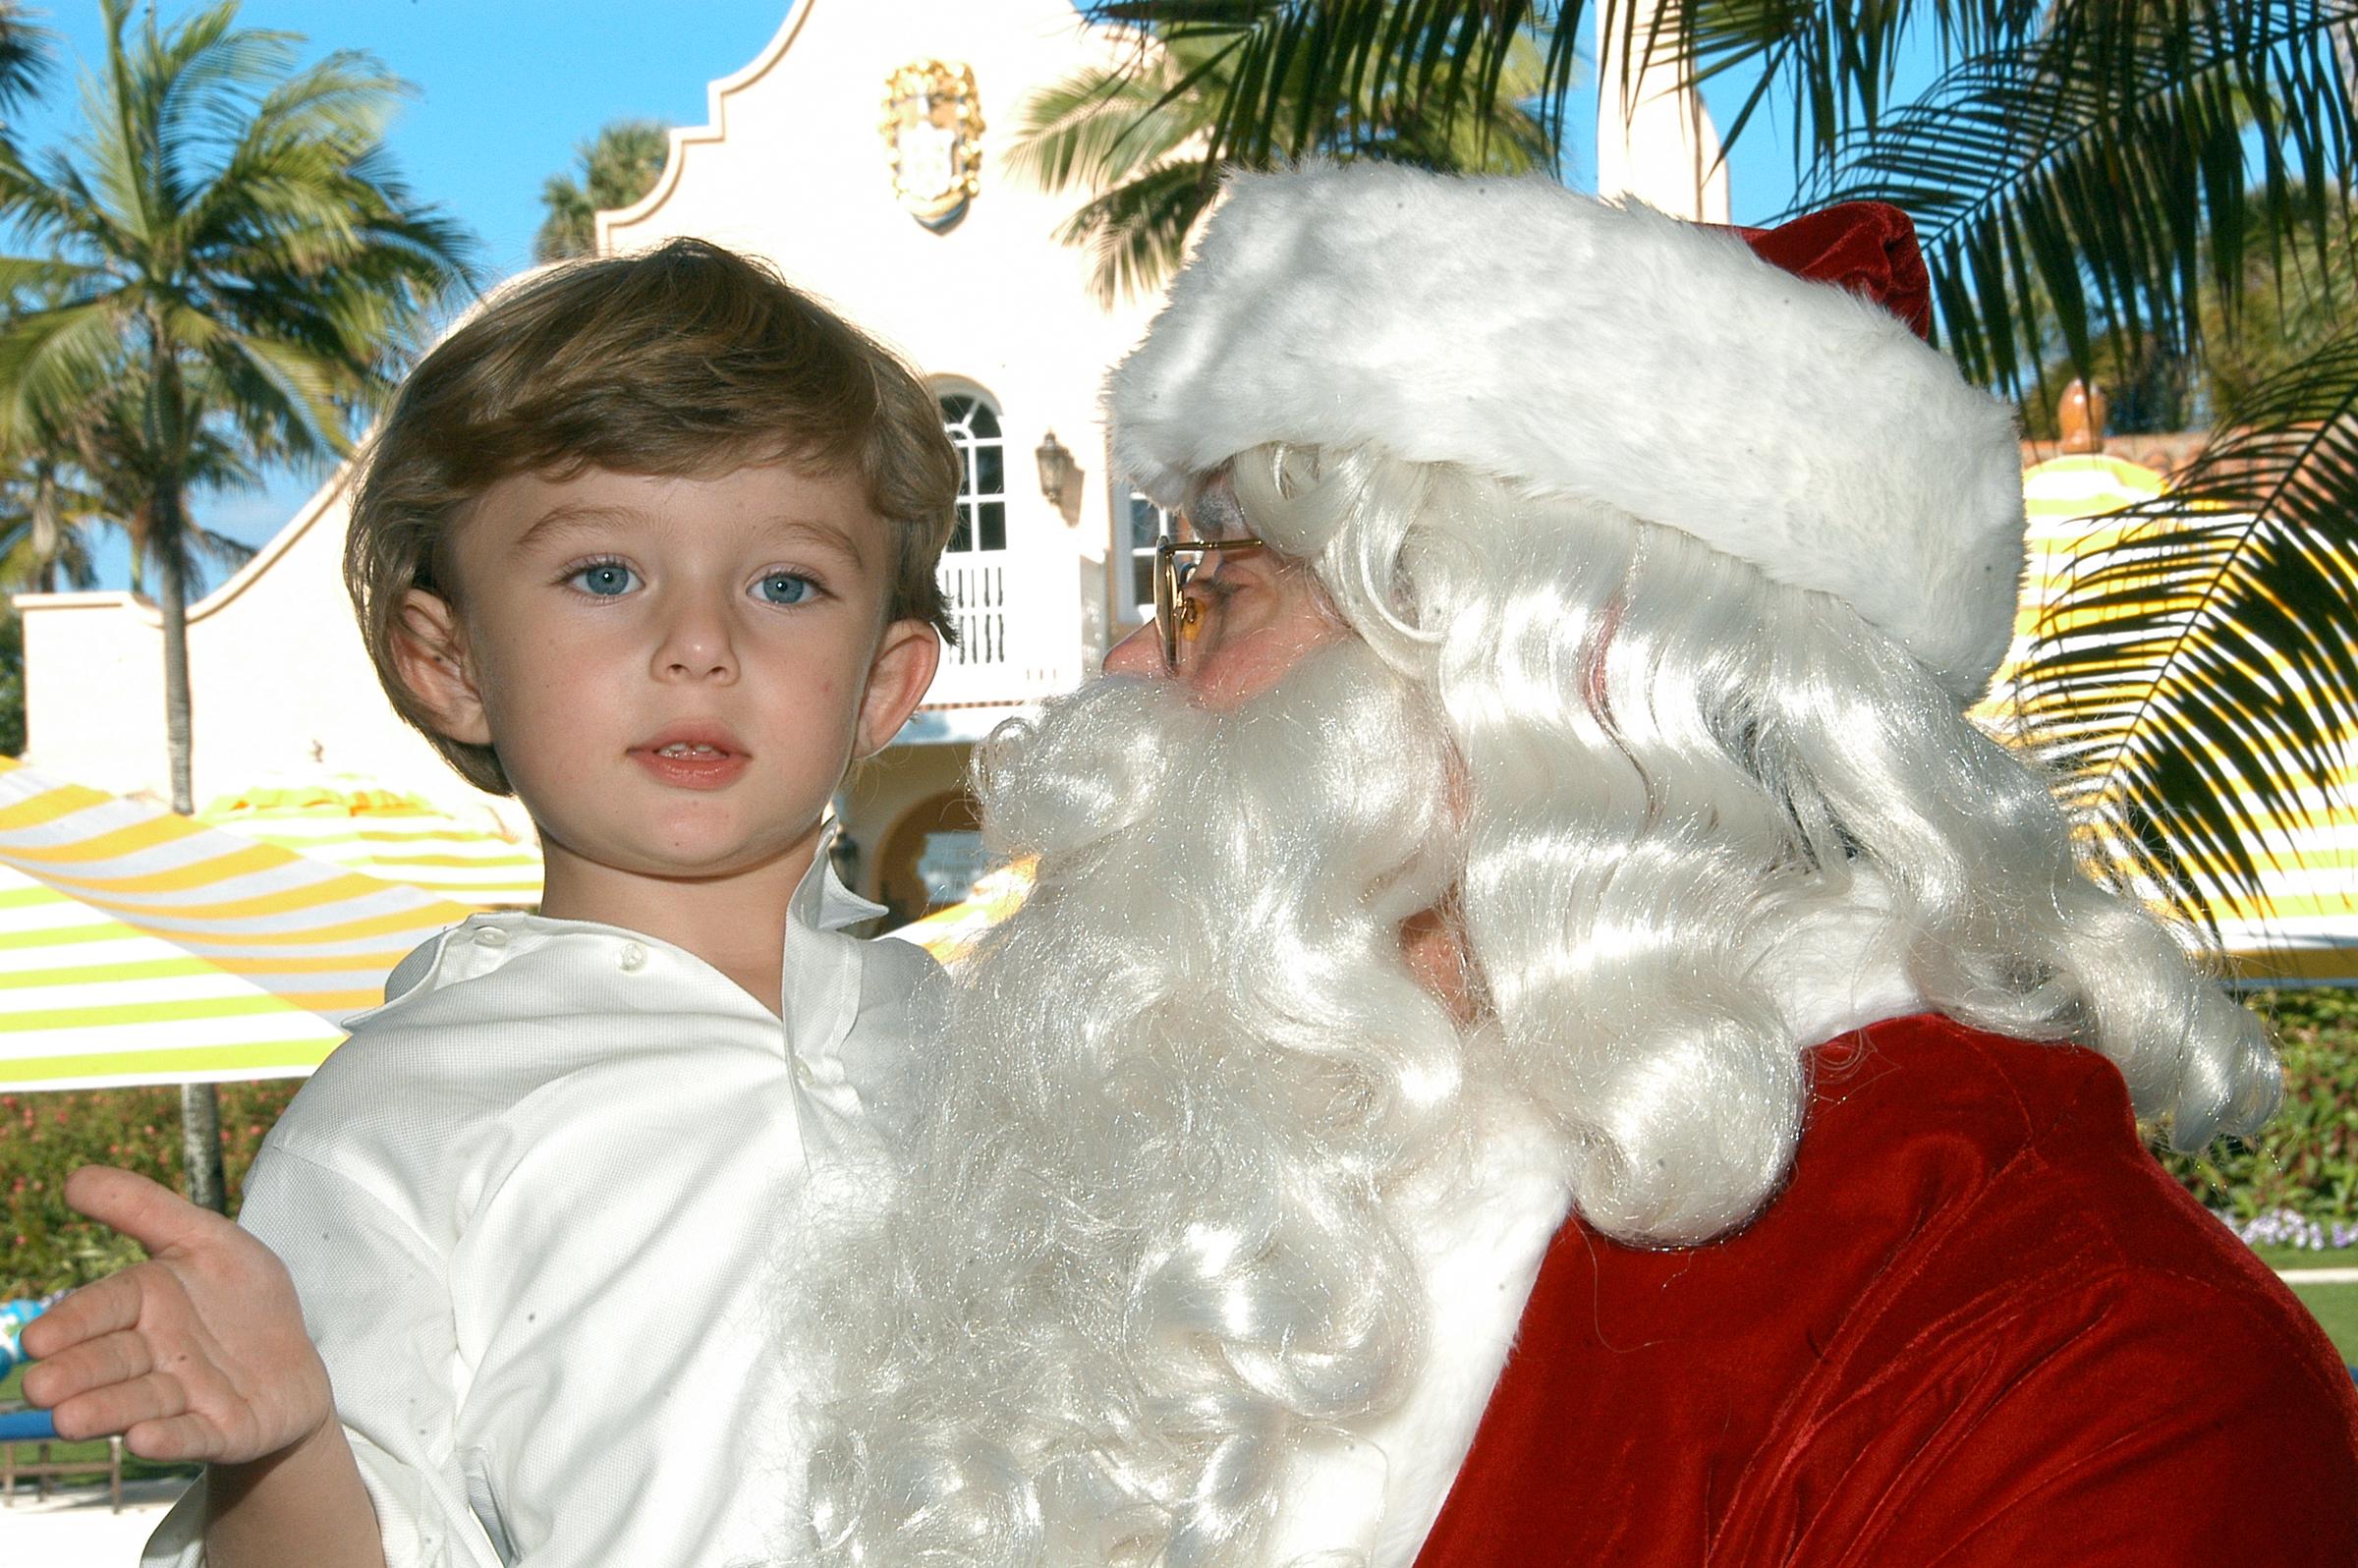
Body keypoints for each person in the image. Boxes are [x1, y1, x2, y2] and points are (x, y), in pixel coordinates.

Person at [806, 166, 2358, 1566]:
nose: (1134, 664)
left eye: (1216, 590)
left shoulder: (2072, 1381)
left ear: (1573, 679)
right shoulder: (1265, 1195)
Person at [21, 238, 956, 1568]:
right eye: (606, 575)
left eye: (785, 584)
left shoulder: (991, 1049)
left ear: (881, 683)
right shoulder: (400, 1118)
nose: (701, 642)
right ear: (449, 661)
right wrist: (286, 1450)